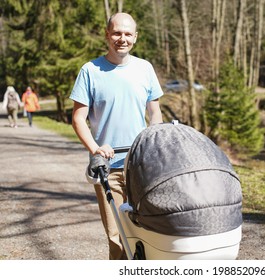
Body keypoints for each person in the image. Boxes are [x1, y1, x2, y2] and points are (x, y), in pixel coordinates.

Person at [70, 12, 164, 260]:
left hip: (142, 166)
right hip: (108, 169)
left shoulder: (145, 68)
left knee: (149, 233)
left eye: (127, 34)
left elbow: (155, 112)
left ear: (135, 36)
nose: (122, 38)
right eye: (116, 33)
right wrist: (95, 149)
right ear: (107, 35)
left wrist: (153, 141)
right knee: (118, 236)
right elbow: (78, 118)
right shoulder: (90, 70)